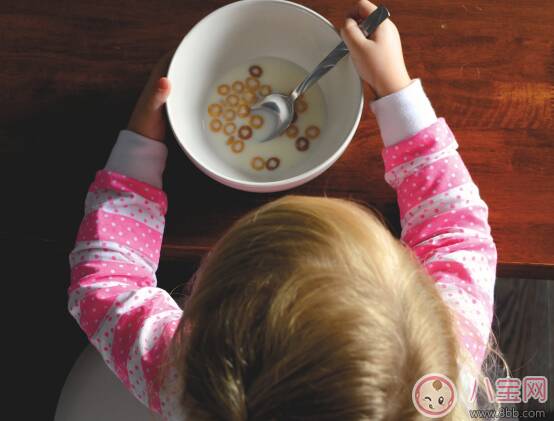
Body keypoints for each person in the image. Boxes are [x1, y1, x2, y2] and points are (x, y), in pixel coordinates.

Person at [68, 1, 502, 419]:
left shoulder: (184, 379)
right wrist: (396, 89)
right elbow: (456, 229)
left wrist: (140, 145)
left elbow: (105, 283)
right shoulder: (441, 373)